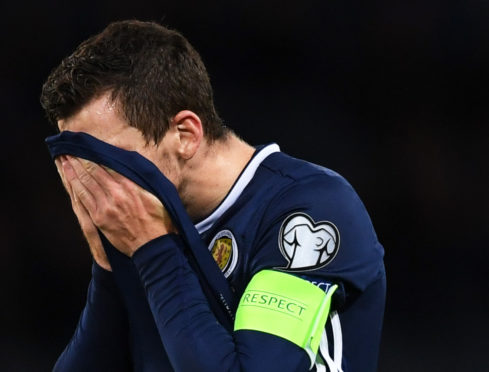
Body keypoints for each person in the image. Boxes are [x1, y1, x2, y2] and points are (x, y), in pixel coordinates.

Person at [40, 20, 386, 372]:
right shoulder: (147, 225)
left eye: (109, 158)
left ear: (185, 134)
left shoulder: (309, 208)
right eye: (80, 166)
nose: (93, 184)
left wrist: (154, 251)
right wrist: (109, 267)